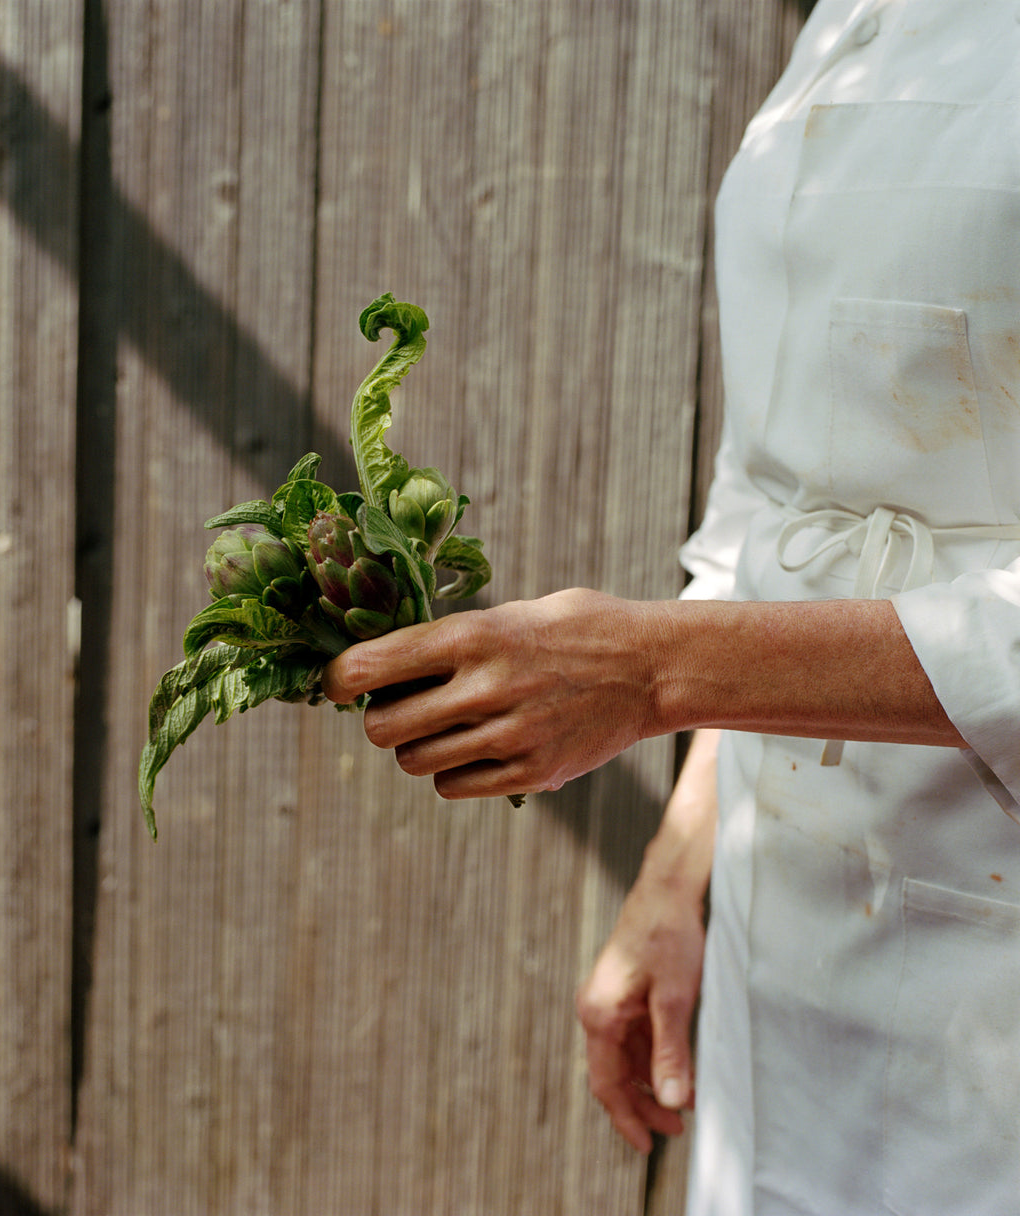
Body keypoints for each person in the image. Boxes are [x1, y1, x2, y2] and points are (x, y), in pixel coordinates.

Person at [323, 1, 1020, 1212]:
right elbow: (776, 487)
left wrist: (653, 670)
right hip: (784, 954)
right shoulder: (855, 18)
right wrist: (681, 868)